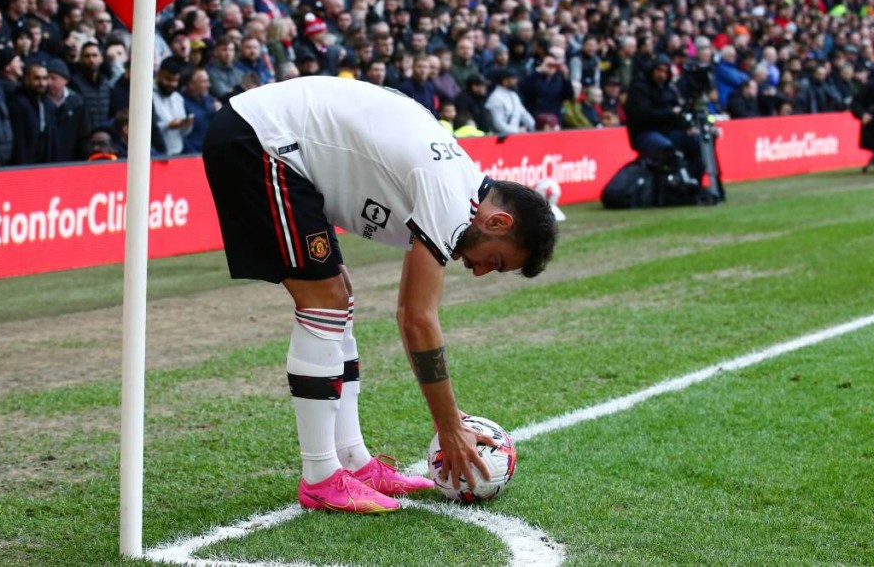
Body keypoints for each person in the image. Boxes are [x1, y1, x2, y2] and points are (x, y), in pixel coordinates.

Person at [201, 76, 557, 514]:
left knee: (338, 297)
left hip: (276, 140)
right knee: (324, 300)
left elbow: (411, 311)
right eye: (495, 261)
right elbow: (416, 317)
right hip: (261, 139)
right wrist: (449, 425)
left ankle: (353, 461)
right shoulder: (451, 196)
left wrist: (449, 419)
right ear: (498, 222)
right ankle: (320, 477)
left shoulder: (457, 184)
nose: (480, 271)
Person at [625, 55, 702, 181]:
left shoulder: (669, 90)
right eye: (659, 70)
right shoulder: (639, 88)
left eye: (665, 71)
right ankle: (668, 183)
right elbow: (644, 115)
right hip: (645, 132)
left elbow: (678, 113)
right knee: (666, 148)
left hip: (667, 131)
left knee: (695, 143)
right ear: (652, 70)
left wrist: (687, 128)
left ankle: (693, 182)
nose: (662, 74)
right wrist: (670, 112)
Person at [485, 67, 535, 135]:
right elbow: (498, 123)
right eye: (513, 78)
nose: (516, 81)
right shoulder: (495, 98)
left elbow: (524, 114)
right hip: (502, 137)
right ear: (505, 81)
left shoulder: (514, 95)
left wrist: (535, 127)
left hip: (516, 135)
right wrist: (517, 132)